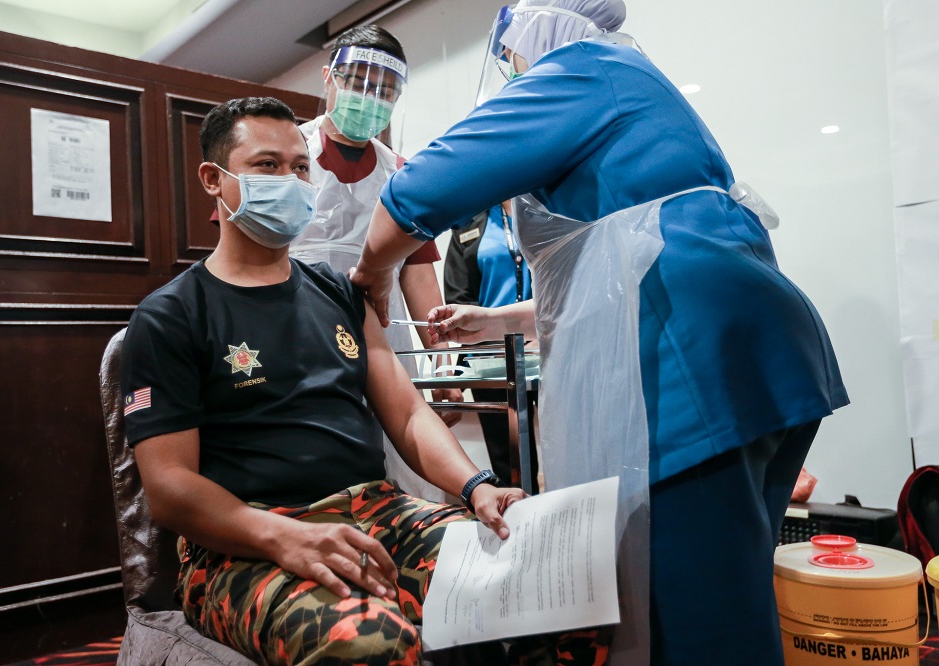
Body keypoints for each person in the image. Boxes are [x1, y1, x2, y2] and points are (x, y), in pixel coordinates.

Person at [347, 2, 850, 665]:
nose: (511, 71)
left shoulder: (582, 71)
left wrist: (368, 274)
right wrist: (494, 319)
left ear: (538, 32)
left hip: (684, 362)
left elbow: (419, 191)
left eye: (511, 55)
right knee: (730, 583)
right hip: (749, 356)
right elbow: (605, 264)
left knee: (688, 609)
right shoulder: (634, 85)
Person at [120, 96, 531, 665]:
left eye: (299, 168)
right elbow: (168, 487)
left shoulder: (340, 292)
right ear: (214, 180)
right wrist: (285, 537)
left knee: (532, 586)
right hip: (243, 544)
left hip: (377, 510)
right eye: (267, 166)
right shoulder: (171, 315)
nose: (289, 182)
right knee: (372, 642)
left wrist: (477, 486)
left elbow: (408, 415)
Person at [290, 25, 462, 427]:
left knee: (400, 450)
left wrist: (441, 364)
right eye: (358, 83)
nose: (370, 98)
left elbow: (418, 277)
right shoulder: (284, 155)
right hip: (298, 332)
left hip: (389, 341)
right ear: (328, 77)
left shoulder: (401, 173)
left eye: (384, 92)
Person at [443, 201, 537, 490]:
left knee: (566, 445)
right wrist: (449, 366)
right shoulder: (469, 223)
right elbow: (458, 296)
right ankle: (518, 524)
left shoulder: (544, 209)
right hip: (490, 360)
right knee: (509, 461)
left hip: (549, 351)